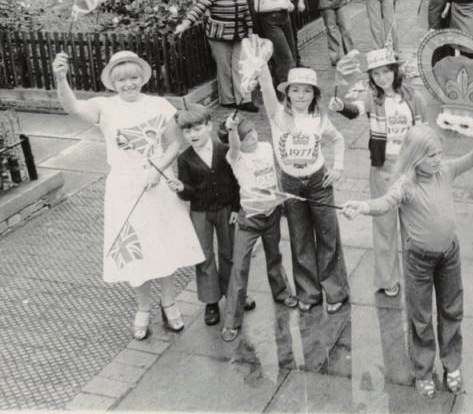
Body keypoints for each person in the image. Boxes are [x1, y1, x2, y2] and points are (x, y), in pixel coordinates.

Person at [51, 50, 204, 341]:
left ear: (142, 78)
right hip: (124, 185)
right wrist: (61, 79)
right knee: (134, 248)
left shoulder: (159, 105)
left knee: (164, 243)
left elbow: (174, 143)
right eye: (122, 79)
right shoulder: (103, 107)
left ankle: (168, 300)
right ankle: (143, 306)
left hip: (158, 182)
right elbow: (71, 107)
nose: (129, 84)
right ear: (112, 82)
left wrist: (158, 170)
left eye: (134, 77)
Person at [341, 125, 473, 399]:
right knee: (420, 317)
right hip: (418, 261)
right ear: (415, 156)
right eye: (431, 155)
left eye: (439, 153)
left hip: (449, 255)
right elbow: (385, 203)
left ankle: (452, 364)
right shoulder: (405, 184)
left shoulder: (445, 171)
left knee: (452, 310)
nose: (437, 159)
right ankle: (423, 370)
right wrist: (363, 206)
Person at [328, 47, 428, 298]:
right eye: (376, 74)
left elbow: (425, 134)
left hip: (410, 168)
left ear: (395, 72)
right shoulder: (372, 98)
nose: (382, 78)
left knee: (413, 227)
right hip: (383, 168)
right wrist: (339, 103)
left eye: (386, 72)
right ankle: (388, 279)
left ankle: (416, 276)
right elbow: (353, 111)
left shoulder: (414, 97)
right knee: (384, 226)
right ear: (371, 78)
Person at [258, 64, 350, 314]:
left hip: (319, 182)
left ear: (314, 95)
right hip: (290, 183)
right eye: (295, 90)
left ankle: (335, 290)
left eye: (306, 91)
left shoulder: (319, 118)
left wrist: (338, 168)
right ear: (287, 93)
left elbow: (338, 139)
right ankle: (308, 292)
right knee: (300, 238)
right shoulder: (278, 115)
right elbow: (266, 88)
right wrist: (261, 65)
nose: (300, 95)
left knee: (328, 235)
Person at [220, 114, 299, 342]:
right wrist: (233, 130)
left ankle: (281, 291)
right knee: (240, 266)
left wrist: (281, 202)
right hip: (250, 219)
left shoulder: (265, 147)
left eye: (253, 132)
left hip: (271, 213)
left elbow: (275, 174)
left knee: (274, 255)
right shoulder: (234, 157)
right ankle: (232, 320)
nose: (253, 138)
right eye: (246, 137)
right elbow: (234, 146)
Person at [172, 105, 249, 327]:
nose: (193, 135)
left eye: (197, 128)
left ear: (209, 126)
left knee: (230, 252)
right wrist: (180, 187)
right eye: (187, 131)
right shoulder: (185, 159)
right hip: (200, 211)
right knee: (204, 255)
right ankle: (211, 301)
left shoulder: (224, 149)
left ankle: (234, 294)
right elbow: (190, 192)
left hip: (226, 209)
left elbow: (236, 181)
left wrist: (236, 208)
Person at [174, 0, 257, 112]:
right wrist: (185, 24)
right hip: (219, 36)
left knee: (241, 66)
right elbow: (198, 9)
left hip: (239, 34)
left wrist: (250, 30)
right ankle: (228, 99)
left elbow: (246, 11)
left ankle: (244, 100)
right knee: (224, 67)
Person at [236, 0, 296, 88]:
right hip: (267, 20)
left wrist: (287, 1)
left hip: (283, 16)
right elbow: (242, 6)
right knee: (284, 57)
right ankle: (285, 92)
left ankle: (280, 87)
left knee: (290, 53)